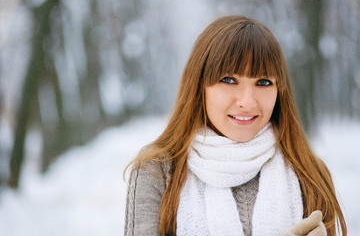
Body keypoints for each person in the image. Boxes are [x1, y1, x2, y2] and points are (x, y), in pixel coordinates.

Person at [124, 15, 347, 236]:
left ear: (280, 91)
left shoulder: (308, 173)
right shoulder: (156, 171)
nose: (247, 102)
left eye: (263, 82)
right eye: (229, 80)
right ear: (200, 85)